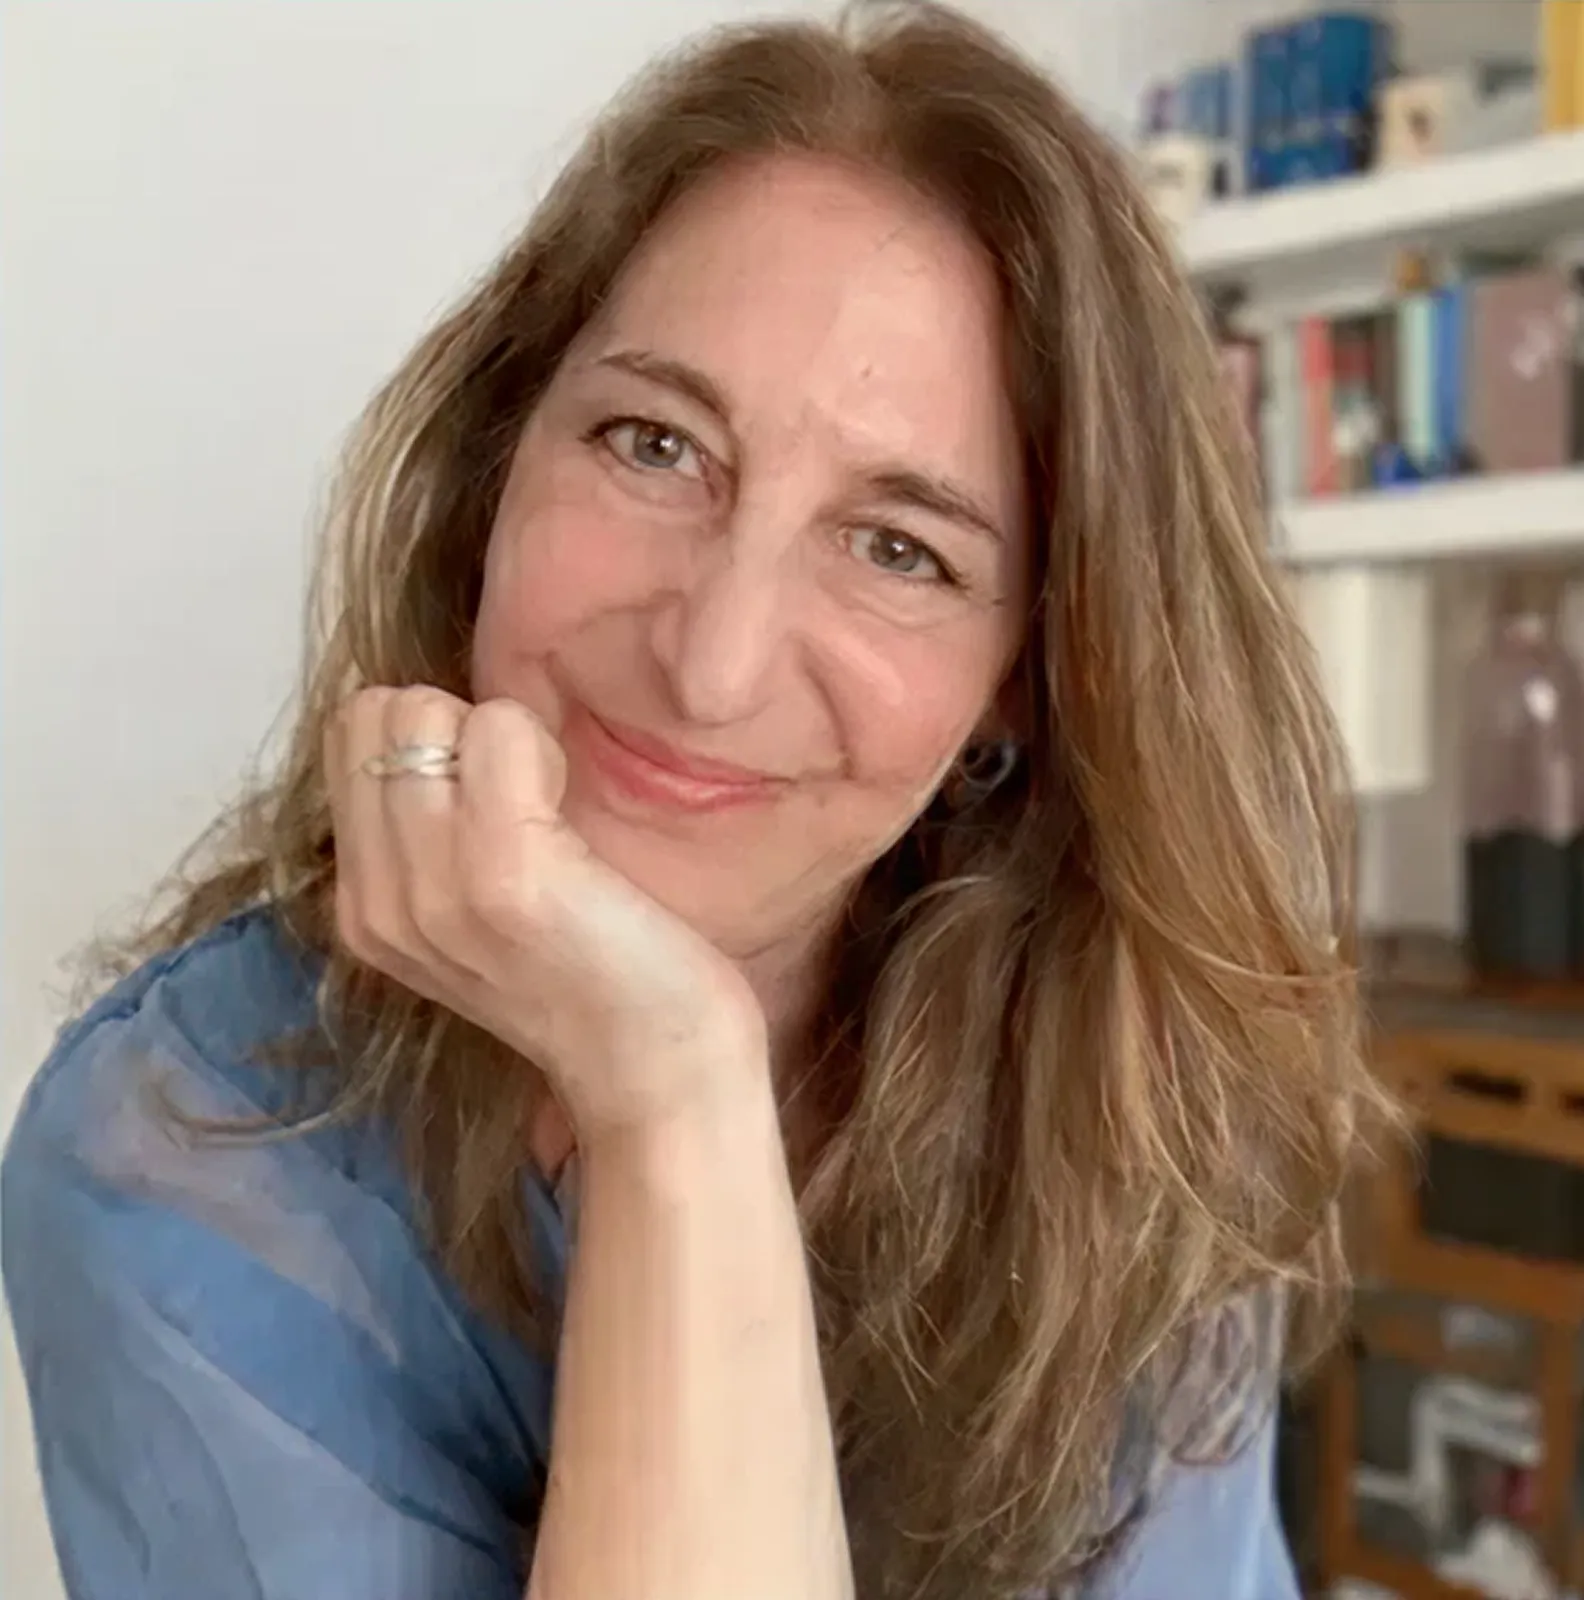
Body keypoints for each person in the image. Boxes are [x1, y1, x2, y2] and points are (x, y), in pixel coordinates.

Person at [2, 5, 1387, 1598]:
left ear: (1027, 676)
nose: (712, 664)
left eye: (900, 549)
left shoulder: (1127, 1093)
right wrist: (671, 1092)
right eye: (654, 445)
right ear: (494, 466)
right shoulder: (188, 1151)